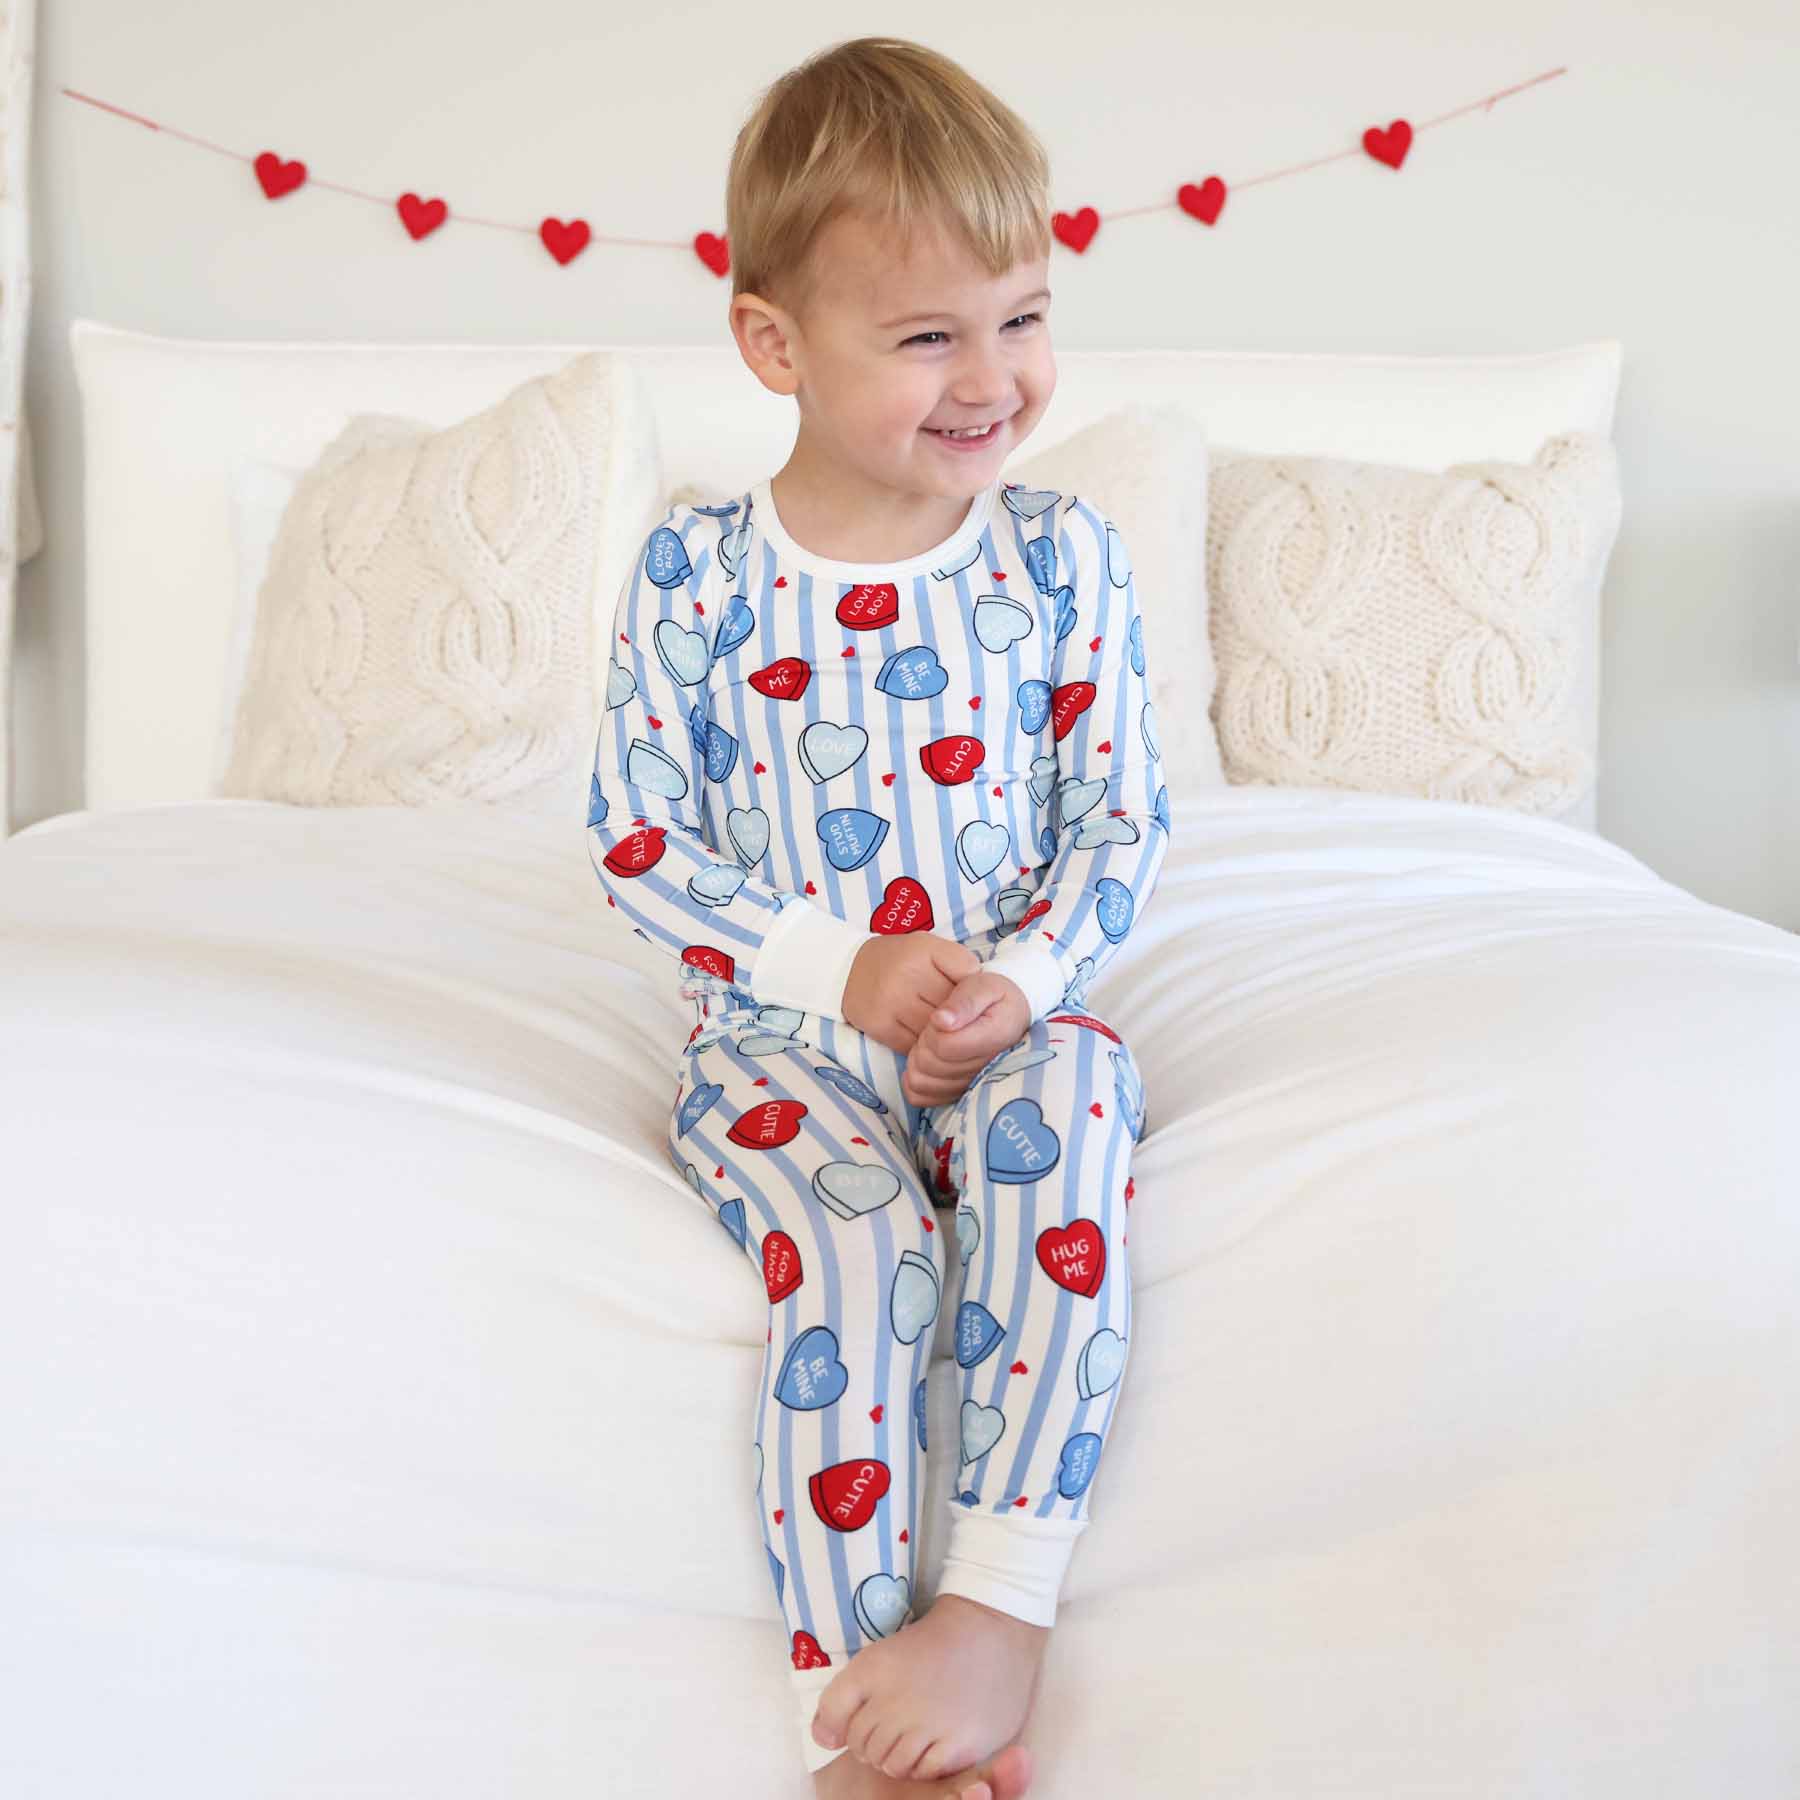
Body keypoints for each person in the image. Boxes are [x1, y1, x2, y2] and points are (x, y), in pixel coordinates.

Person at [586, 34, 1170, 1800]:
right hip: (782, 1050)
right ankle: (856, 1728)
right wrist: (841, 971)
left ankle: (997, 1604)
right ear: (775, 344)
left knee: (1078, 1106)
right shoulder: (697, 573)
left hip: (1001, 1027)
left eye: (1023, 318)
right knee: (865, 1260)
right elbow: (635, 840)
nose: (993, 380)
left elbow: (1122, 822)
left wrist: (1029, 983)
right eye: (927, 337)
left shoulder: (1064, 557)